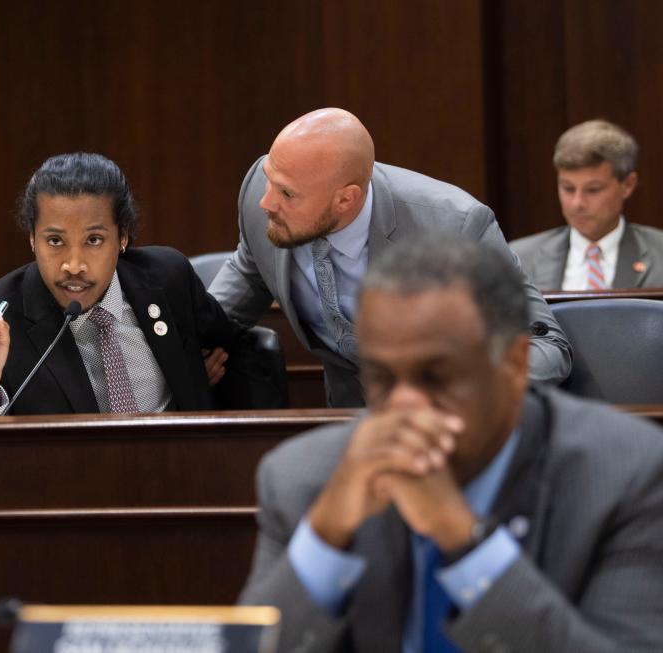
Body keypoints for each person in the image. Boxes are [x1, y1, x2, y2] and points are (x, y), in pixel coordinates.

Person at [239, 238, 663, 652]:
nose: (405, 404)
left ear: (515, 364)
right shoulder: (303, 478)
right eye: (382, 377)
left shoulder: (625, 473)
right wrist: (326, 534)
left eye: (436, 377)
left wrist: (466, 543)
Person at [209, 108, 570, 408]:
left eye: (287, 193)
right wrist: (192, 349)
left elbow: (546, 346)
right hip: (346, 419)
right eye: (271, 180)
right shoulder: (263, 191)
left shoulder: (455, 226)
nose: (267, 201)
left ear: (346, 200)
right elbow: (251, 272)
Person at [0, 152, 248, 416]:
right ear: (32, 238)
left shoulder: (168, 279)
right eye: (55, 240)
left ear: (123, 236)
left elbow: (236, 353)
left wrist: (190, 377)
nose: (74, 265)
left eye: (94, 240)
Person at [510, 119, 663, 290]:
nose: (577, 203)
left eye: (593, 190)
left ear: (627, 185)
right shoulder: (518, 259)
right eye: (568, 188)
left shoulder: (660, 253)